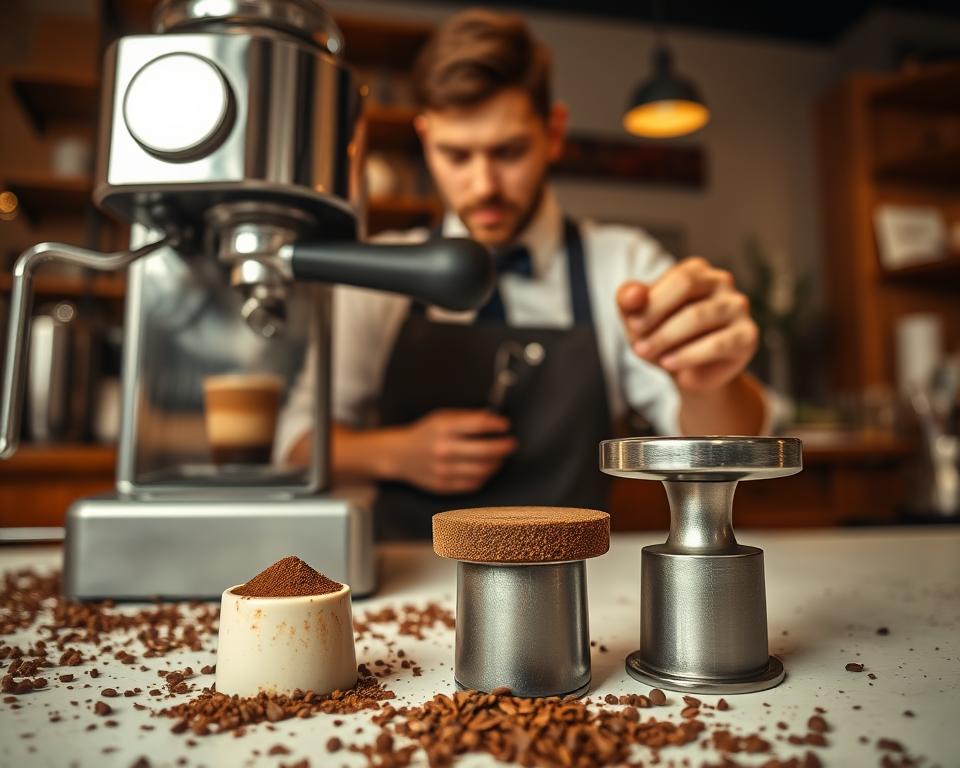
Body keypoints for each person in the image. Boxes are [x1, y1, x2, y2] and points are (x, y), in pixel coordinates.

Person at [277, 9, 767, 539]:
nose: (483, 184)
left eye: (508, 151)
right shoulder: (373, 280)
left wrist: (712, 383)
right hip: (409, 585)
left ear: (553, 133)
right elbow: (293, 443)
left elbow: (723, 445)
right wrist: (395, 453)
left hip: (577, 584)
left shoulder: (624, 265)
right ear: (424, 140)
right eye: (456, 154)